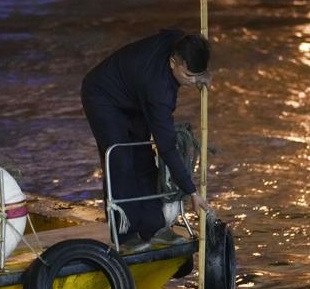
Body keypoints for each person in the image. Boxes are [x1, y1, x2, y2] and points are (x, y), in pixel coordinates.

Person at [81, 28, 212, 247]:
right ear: (173, 62)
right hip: (102, 96)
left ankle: (153, 226)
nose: (192, 82)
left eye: (196, 76)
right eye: (188, 76)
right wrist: (192, 191)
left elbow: (187, 50)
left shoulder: (181, 41)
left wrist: (200, 75)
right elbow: (167, 146)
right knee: (121, 160)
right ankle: (125, 235)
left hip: (134, 94)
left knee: (143, 157)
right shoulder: (159, 91)